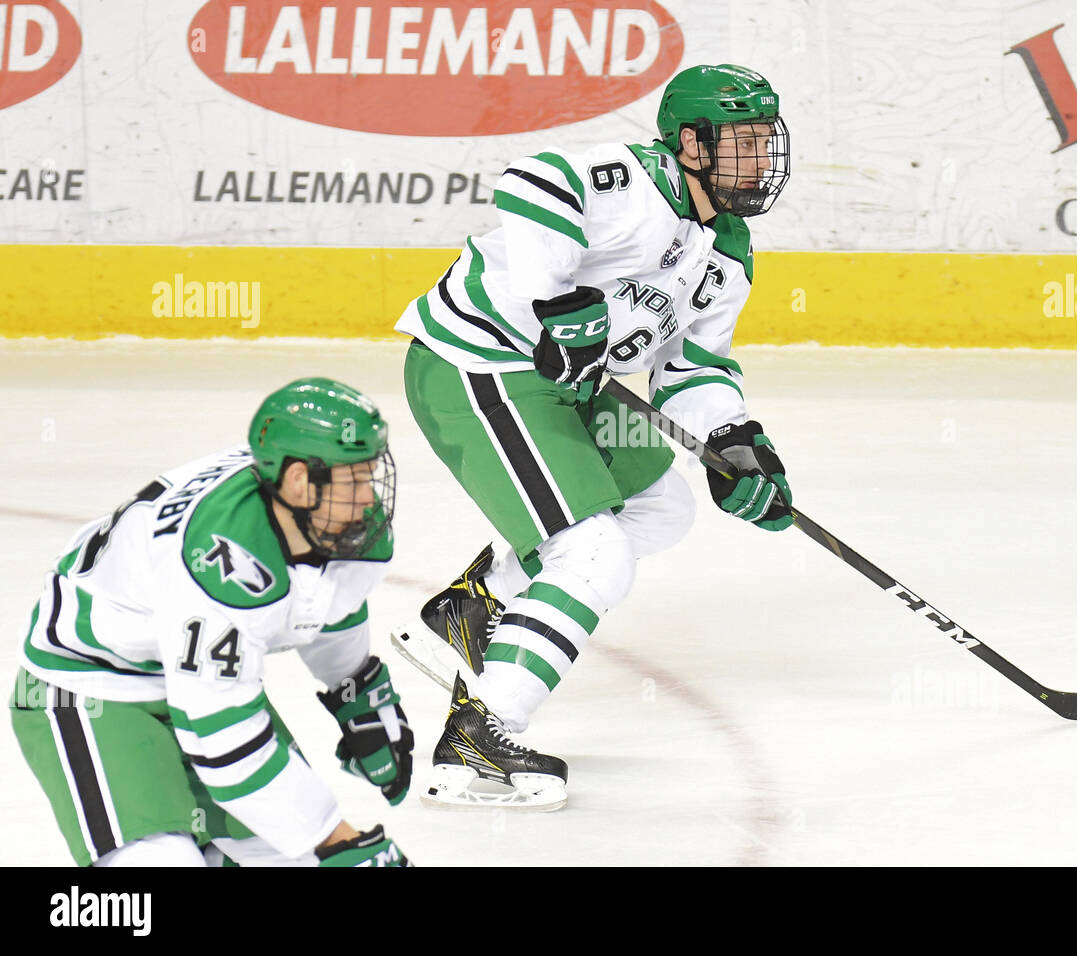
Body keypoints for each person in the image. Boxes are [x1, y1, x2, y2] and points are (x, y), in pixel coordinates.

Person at [394, 64, 795, 810]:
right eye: (743, 142)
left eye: (766, 141)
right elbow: (532, 182)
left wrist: (735, 442)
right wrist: (561, 300)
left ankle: (476, 604)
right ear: (691, 145)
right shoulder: (634, 180)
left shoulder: (728, 250)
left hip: (566, 386)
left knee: (661, 509)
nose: (763, 160)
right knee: (594, 550)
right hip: (481, 364)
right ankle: (480, 737)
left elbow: (691, 366)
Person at [10, 378, 413, 866]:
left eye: (369, 474)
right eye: (354, 480)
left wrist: (354, 688)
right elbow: (223, 737)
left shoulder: (327, 517)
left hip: (191, 670)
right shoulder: (217, 562)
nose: (369, 497)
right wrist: (337, 841)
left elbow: (331, 596)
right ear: (298, 483)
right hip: (95, 689)